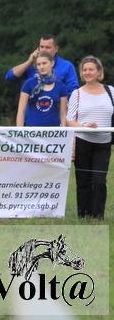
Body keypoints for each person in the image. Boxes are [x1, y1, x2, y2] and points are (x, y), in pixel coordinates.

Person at [66, 56, 113, 219]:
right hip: (82, 142)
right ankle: (83, 216)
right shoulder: (77, 93)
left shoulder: (111, 91)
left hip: (104, 143)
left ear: (99, 71)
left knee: (99, 181)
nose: (87, 72)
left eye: (91, 69)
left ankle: (98, 216)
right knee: (83, 180)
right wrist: (84, 127)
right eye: (84, 69)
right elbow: (70, 120)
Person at [5, 34, 79, 93]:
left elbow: (73, 91)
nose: (44, 50)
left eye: (47, 47)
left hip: (57, 105)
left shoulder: (67, 66)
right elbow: (9, 76)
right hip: (32, 106)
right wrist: (28, 62)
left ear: (56, 49)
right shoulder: (32, 65)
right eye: (42, 47)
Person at [16, 52, 68, 127]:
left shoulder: (61, 86)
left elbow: (63, 113)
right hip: (32, 130)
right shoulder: (29, 84)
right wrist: (20, 131)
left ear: (52, 63)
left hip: (54, 131)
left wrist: (63, 131)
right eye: (38, 64)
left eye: (44, 63)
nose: (41, 67)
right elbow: (21, 111)